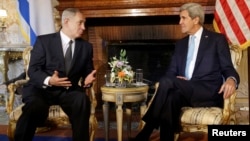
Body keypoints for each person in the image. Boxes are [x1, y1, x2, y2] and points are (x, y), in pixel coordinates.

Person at [133, 2, 240, 141]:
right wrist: (177, 82)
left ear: (196, 20)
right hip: (185, 91)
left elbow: (228, 68)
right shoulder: (181, 44)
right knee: (171, 96)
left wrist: (231, 79)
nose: (180, 22)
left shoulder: (216, 40)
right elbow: (171, 72)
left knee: (167, 82)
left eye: (183, 18)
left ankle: (147, 130)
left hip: (207, 91)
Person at [14, 8, 96, 141]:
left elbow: (88, 71)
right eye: (80, 23)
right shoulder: (44, 41)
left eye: (84, 23)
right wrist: (49, 80)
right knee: (34, 105)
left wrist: (88, 80)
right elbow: (33, 70)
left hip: (68, 92)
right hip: (41, 90)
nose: (84, 27)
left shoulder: (86, 47)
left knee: (81, 100)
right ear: (66, 21)